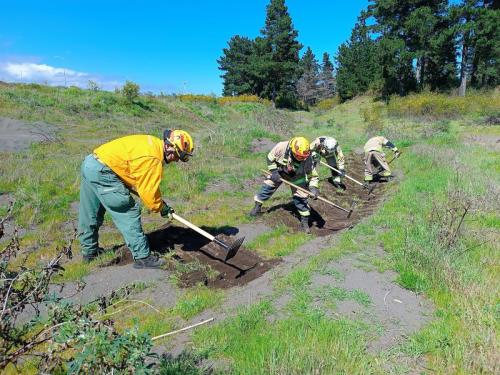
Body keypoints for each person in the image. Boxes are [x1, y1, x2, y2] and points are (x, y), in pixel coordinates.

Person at [78, 129, 194, 269]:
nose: (176, 160)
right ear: (169, 147)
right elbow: (149, 195)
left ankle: (89, 253)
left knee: (91, 211)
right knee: (128, 210)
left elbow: (133, 170)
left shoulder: (152, 144)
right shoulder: (153, 159)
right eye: (177, 156)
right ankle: (143, 257)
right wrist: (161, 207)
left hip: (91, 163)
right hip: (103, 170)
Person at [249, 137, 320, 234]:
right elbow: (270, 158)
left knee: (301, 196)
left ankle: (304, 222)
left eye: (303, 157)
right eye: (299, 156)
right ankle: (256, 208)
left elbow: (313, 175)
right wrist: (274, 172)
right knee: (268, 185)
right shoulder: (281, 146)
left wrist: (313, 188)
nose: (302, 158)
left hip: (297, 177)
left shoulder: (307, 158)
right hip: (279, 172)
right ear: (292, 149)